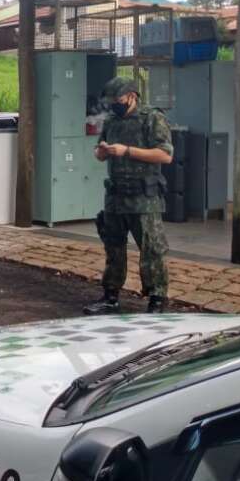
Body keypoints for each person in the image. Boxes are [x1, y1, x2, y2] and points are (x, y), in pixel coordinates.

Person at [85, 77, 174, 315]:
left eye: (119, 100)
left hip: (144, 198)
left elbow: (165, 155)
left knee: (151, 250)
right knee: (113, 248)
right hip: (116, 197)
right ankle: (110, 296)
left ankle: (157, 299)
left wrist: (128, 151)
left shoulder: (152, 118)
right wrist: (102, 152)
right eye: (112, 101)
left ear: (132, 96)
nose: (115, 104)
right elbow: (98, 152)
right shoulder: (112, 121)